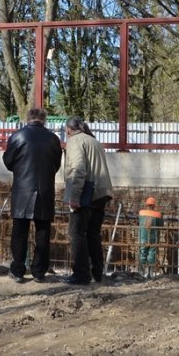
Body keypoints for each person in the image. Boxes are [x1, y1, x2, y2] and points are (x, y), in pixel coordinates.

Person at [2, 107, 62, 283]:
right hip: (45, 189)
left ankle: (18, 270)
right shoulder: (53, 139)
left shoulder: (17, 136)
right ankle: (39, 271)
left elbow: (8, 162)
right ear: (44, 119)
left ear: (28, 118)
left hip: (22, 190)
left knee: (19, 232)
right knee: (43, 233)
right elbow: (56, 165)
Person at [62, 116, 114, 285]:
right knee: (93, 234)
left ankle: (81, 274)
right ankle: (97, 273)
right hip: (101, 193)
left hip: (86, 194)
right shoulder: (94, 141)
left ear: (68, 129)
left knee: (76, 233)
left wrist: (74, 196)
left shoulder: (75, 141)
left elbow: (78, 169)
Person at [138, 196, 164, 278]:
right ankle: (150, 272)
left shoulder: (141, 213)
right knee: (152, 254)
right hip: (153, 238)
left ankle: (142, 272)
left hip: (142, 237)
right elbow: (161, 226)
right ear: (154, 205)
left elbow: (138, 222)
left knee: (142, 253)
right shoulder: (158, 214)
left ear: (146, 204)